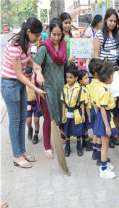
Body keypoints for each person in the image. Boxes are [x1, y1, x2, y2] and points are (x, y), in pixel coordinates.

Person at [1, 17, 46, 168]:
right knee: (14, 121)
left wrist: (36, 67)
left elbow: (28, 61)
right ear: (28, 32)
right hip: (10, 85)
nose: (37, 38)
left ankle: (22, 151)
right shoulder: (15, 45)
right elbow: (19, 74)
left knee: (21, 119)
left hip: (19, 84)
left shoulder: (27, 43)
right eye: (36, 35)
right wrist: (37, 89)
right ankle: (16, 156)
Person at [34, 18, 69, 159]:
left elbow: (65, 66)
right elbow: (36, 65)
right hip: (47, 88)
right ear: (49, 32)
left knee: (61, 115)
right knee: (48, 118)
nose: (56, 38)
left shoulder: (63, 46)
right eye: (54, 34)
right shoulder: (43, 47)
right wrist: (38, 73)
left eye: (59, 34)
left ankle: (61, 137)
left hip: (60, 87)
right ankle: (47, 147)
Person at [94, 60, 117, 179]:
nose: (113, 77)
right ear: (107, 77)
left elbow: (95, 104)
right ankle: (103, 169)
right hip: (105, 118)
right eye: (112, 75)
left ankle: (104, 164)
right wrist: (107, 126)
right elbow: (102, 108)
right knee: (105, 144)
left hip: (102, 118)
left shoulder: (101, 87)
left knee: (105, 144)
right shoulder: (105, 90)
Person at [61, 64, 85, 157]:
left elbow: (82, 102)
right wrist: (63, 115)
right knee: (67, 131)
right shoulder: (65, 87)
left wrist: (83, 114)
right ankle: (67, 147)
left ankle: (79, 146)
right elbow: (63, 102)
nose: (68, 79)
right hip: (67, 112)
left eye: (70, 77)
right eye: (67, 77)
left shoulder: (79, 88)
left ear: (76, 77)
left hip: (76, 112)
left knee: (78, 131)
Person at [25, 66, 42, 144]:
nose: (28, 77)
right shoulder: (23, 81)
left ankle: (36, 135)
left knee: (36, 120)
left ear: (32, 73)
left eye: (29, 75)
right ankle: (30, 129)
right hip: (27, 104)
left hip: (35, 103)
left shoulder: (34, 80)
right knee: (28, 121)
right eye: (26, 76)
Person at [78, 70, 93, 151]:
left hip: (86, 111)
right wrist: (88, 115)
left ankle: (84, 143)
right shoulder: (83, 90)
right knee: (85, 129)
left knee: (85, 128)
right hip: (86, 111)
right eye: (85, 78)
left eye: (88, 77)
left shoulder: (85, 88)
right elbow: (85, 104)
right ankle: (88, 145)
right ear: (80, 81)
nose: (88, 79)